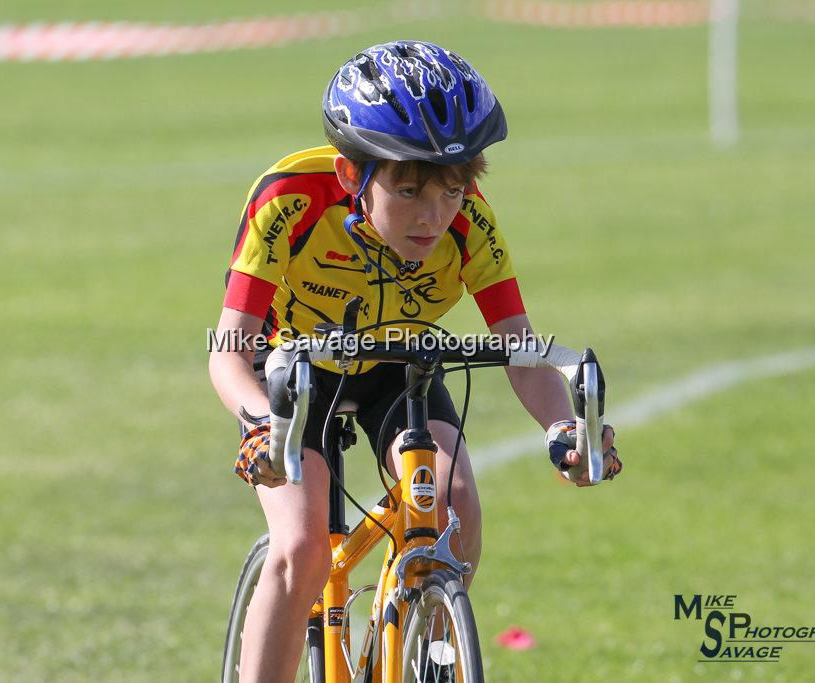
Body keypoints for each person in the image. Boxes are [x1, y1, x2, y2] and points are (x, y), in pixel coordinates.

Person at [209, 40, 622, 682]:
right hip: (291, 369)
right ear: (353, 176)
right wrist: (261, 421)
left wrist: (561, 428)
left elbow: (521, 345)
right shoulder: (290, 199)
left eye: (453, 191)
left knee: (457, 508)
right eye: (408, 191)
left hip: (400, 362)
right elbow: (229, 350)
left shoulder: (470, 225)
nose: (434, 217)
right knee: (301, 545)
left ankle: (412, 632)